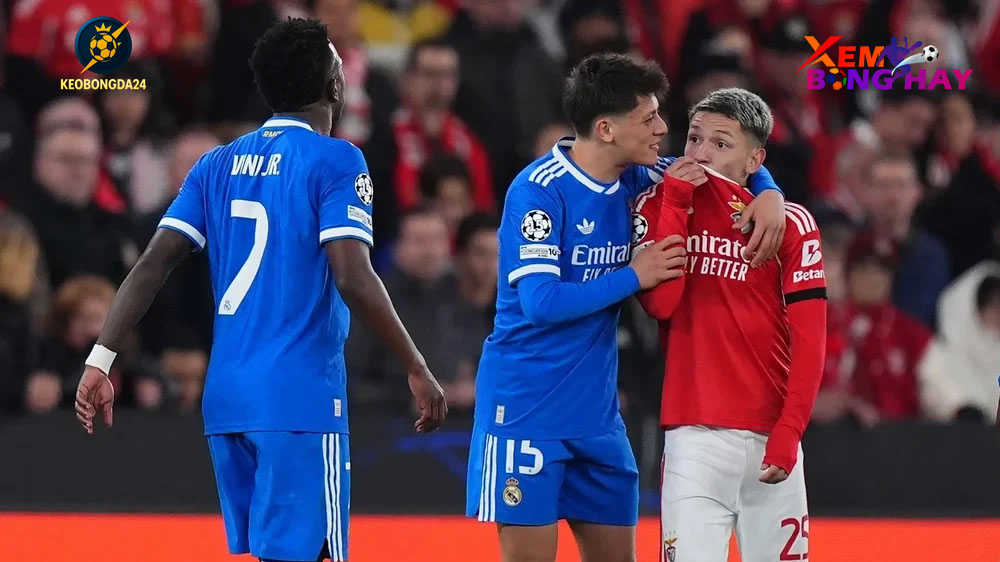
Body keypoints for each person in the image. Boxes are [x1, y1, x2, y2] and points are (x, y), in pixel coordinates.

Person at [74, 18, 447, 562]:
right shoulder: (337, 159)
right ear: (334, 85)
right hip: (299, 399)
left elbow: (153, 263)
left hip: (228, 400)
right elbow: (352, 275)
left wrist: (100, 358)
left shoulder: (215, 163)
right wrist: (416, 364)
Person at [465, 54, 787, 562]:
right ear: (606, 129)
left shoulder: (641, 176)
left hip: (598, 418)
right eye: (648, 118)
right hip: (526, 410)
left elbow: (723, 171)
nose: (662, 129)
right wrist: (634, 275)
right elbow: (541, 303)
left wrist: (770, 193)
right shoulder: (539, 192)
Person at [632, 88, 827, 561]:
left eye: (720, 144)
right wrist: (676, 204)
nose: (700, 153)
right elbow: (660, 304)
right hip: (693, 439)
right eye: (694, 138)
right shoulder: (655, 203)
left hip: (770, 433)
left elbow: (811, 339)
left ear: (754, 159)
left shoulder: (790, 223)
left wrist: (790, 431)